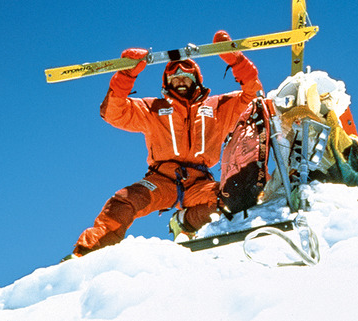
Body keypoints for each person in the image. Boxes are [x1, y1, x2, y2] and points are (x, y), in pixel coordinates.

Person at [70, 30, 263, 257]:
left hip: (200, 183)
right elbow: (114, 113)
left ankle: (186, 223)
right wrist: (126, 75)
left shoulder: (217, 107)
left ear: (197, 81)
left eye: (186, 78)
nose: (180, 82)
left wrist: (235, 59)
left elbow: (254, 97)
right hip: (161, 180)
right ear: (167, 83)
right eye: (175, 79)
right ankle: (87, 253)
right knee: (124, 201)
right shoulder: (153, 108)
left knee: (234, 197)